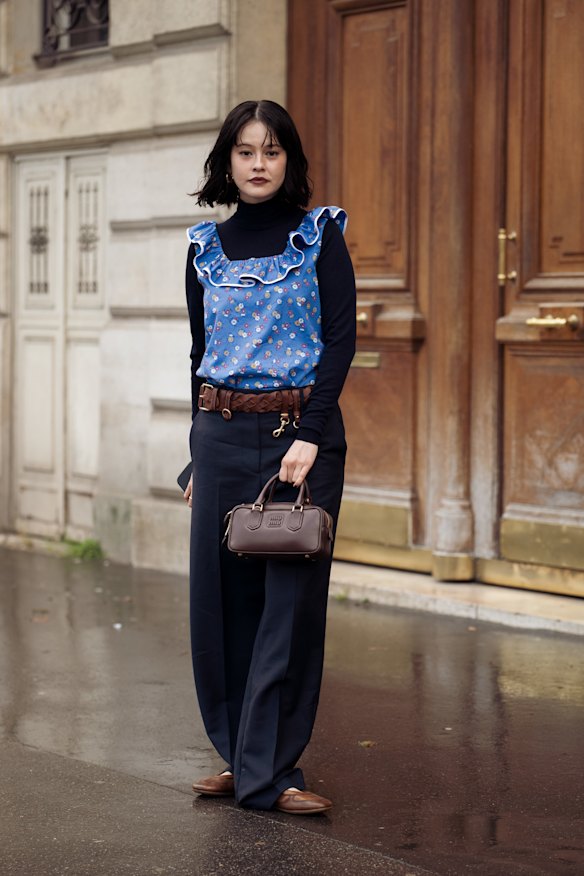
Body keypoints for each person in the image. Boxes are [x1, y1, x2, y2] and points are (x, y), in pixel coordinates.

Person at [183, 100, 356, 815]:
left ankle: (276, 769)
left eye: (272, 151)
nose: (258, 164)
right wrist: (196, 453)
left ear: (290, 162)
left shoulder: (319, 238)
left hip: (298, 436)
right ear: (227, 160)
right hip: (222, 434)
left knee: (287, 607)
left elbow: (341, 340)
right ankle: (238, 753)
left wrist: (311, 435)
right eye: (246, 151)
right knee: (220, 606)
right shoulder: (203, 247)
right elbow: (198, 355)